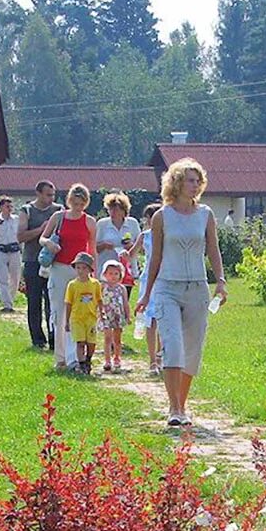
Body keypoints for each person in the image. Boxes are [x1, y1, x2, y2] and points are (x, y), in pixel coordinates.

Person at [135, 157, 227, 428]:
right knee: (172, 346)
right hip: (167, 288)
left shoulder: (206, 214)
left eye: (198, 180)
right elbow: (155, 257)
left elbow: (213, 250)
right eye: (189, 179)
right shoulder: (162, 216)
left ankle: (182, 404)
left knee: (193, 351)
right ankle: (173, 408)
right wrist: (146, 294)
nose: (195, 184)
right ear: (176, 182)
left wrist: (220, 281)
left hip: (197, 288)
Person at [40, 183, 96, 370]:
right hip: (58, 268)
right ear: (69, 200)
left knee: (77, 314)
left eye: (81, 204)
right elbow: (43, 237)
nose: (78, 207)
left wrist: (93, 271)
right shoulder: (58, 217)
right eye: (75, 203)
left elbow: (92, 248)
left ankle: (75, 359)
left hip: (79, 272)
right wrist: (49, 244)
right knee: (58, 312)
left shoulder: (89, 222)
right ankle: (60, 357)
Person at [17, 181, 61, 349]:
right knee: (34, 301)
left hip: (53, 262)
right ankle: (37, 339)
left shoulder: (58, 211)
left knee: (52, 301)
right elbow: (20, 237)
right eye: (48, 194)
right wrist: (42, 230)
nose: (51, 198)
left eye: (53, 195)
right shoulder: (26, 211)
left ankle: (54, 339)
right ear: (38, 193)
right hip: (32, 261)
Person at [130, 202, 163, 374]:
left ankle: (161, 356)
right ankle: (152, 360)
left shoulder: (167, 235)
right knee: (150, 319)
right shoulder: (145, 236)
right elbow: (132, 254)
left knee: (164, 318)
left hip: (165, 278)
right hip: (149, 278)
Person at [95, 192, 142, 291]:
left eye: (115, 209)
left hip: (126, 271)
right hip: (106, 270)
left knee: (123, 301)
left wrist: (131, 246)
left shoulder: (133, 223)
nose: (112, 212)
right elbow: (93, 247)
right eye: (110, 209)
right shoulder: (101, 224)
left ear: (123, 210)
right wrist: (104, 245)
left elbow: (141, 247)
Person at [64, 251, 101, 374]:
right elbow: (68, 303)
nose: (80, 271)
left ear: (90, 269)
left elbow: (99, 300)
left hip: (91, 317)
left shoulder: (95, 284)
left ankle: (88, 359)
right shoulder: (72, 285)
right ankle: (82, 364)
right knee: (80, 342)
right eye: (78, 267)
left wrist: (102, 313)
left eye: (84, 268)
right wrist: (67, 320)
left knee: (91, 343)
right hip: (77, 318)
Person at [0, 196, 21, 312]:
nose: (10, 208)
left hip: (14, 250)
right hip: (1, 250)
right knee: (2, 278)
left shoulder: (17, 219)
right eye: (7, 206)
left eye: (11, 206)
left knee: (15, 278)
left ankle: (10, 300)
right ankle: (7, 305)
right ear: (1, 207)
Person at [98, 258, 131, 373]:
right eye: (110, 273)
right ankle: (107, 360)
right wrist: (99, 312)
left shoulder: (121, 288)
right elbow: (99, 300)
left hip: (118, 315)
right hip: (106, 315)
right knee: (107, 338)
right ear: (105, 274)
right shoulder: (102, 287)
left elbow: (125, 303)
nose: (113, 276)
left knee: (117, 339)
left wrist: (128, 315)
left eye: (116, 273)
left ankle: (117, 357)